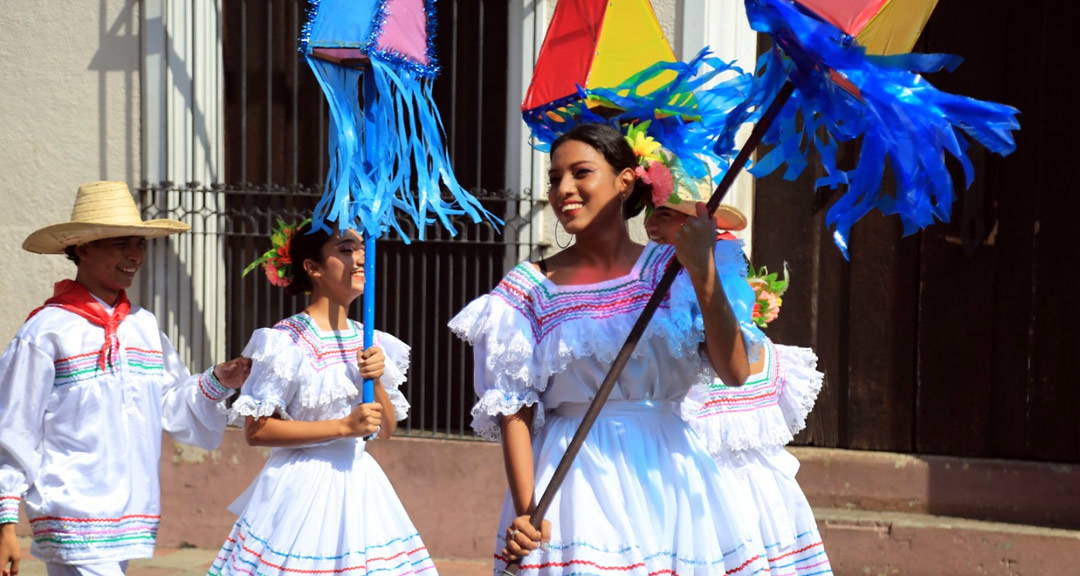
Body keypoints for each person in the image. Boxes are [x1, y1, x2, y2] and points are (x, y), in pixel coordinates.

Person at [450, 123, 771, 575]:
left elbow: (736, 371)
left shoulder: (673, 270)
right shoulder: (526, 291)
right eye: (554, 178)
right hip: (573, 481)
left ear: (625, 182)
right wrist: (526, 511)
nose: (564, 189)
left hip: (670, 473)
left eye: (581, 173)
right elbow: (514, 410)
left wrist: (703, 274)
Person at [0, 181, 250, 576]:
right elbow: (14, 428)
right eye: (120, 244)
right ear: (83, 248)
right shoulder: (47, 331)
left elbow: (170, 405)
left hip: (126, 511)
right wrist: (5, 523)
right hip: (71, 508)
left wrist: (219, 379)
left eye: (140, 244)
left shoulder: (143, 326)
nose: (134, 255)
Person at [208, 221, 433, 576]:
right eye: (345, 250)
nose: (360, 259)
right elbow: (257, 431)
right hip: (302, 489)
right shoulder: (286, 340)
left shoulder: (369, 339)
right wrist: (343, 426)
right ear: (312, 268)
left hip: (361, 485)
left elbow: (384, 429)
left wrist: (375, 378)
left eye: (361, 249)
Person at [645, 194, 833, 575]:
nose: (651, 224)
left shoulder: (720, 262)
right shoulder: (649, 269)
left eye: (663, 216)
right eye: (651, 213)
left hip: (716, 403)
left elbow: (722, 334)